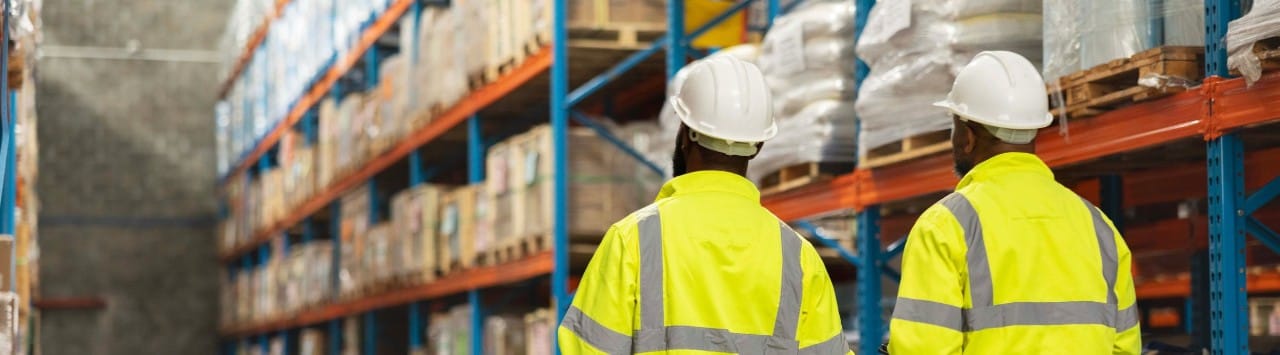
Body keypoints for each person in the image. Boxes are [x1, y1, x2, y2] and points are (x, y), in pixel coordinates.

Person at [558, 56, 852, 354]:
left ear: (685, 134)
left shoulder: (632, 240)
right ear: (759, 146)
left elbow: (586, 349)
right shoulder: (798, 258)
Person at [887, 51, 1141, 354]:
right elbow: (1125, 348)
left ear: (967, 136)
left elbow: (924, 349)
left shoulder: (944, 226)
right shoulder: (1099, 226)